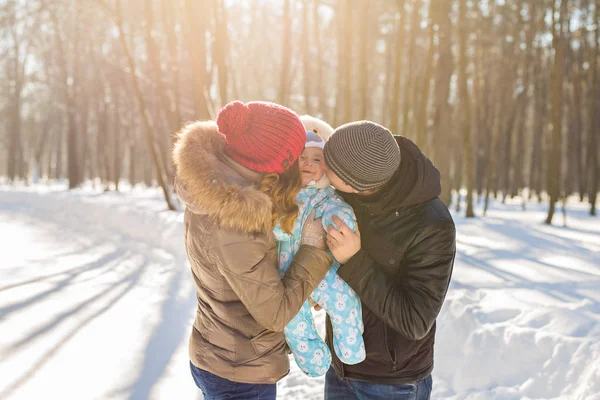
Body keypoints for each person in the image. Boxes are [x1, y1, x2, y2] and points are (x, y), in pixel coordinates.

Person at [172, 100, 333, 400]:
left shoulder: (213, 180)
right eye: (294, 156)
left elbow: (246, 278)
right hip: (239, 374)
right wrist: (313, 249)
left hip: (216, 351)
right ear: (276, 162)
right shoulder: (237, 220)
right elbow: (275, 313)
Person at [321, 120, 456, 400]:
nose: (320, 167)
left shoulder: (431, 224)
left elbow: (415, 321)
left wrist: (355, 260)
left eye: (327, 164)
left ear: (354, 183)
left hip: (392, 382)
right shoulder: (346, 193)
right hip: (340, 367)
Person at [274, 116, 365, 378]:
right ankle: (312, 360)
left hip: (323, 270)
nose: (308, 164)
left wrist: (338, 222)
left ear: (325, 168)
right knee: (293, 318)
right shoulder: (282, 196)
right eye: (302, 157)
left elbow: (337, 212)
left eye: (316, 159)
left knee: (345, 302)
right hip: (288, 271)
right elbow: (274, 225)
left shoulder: (326, 196)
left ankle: (351, 350)